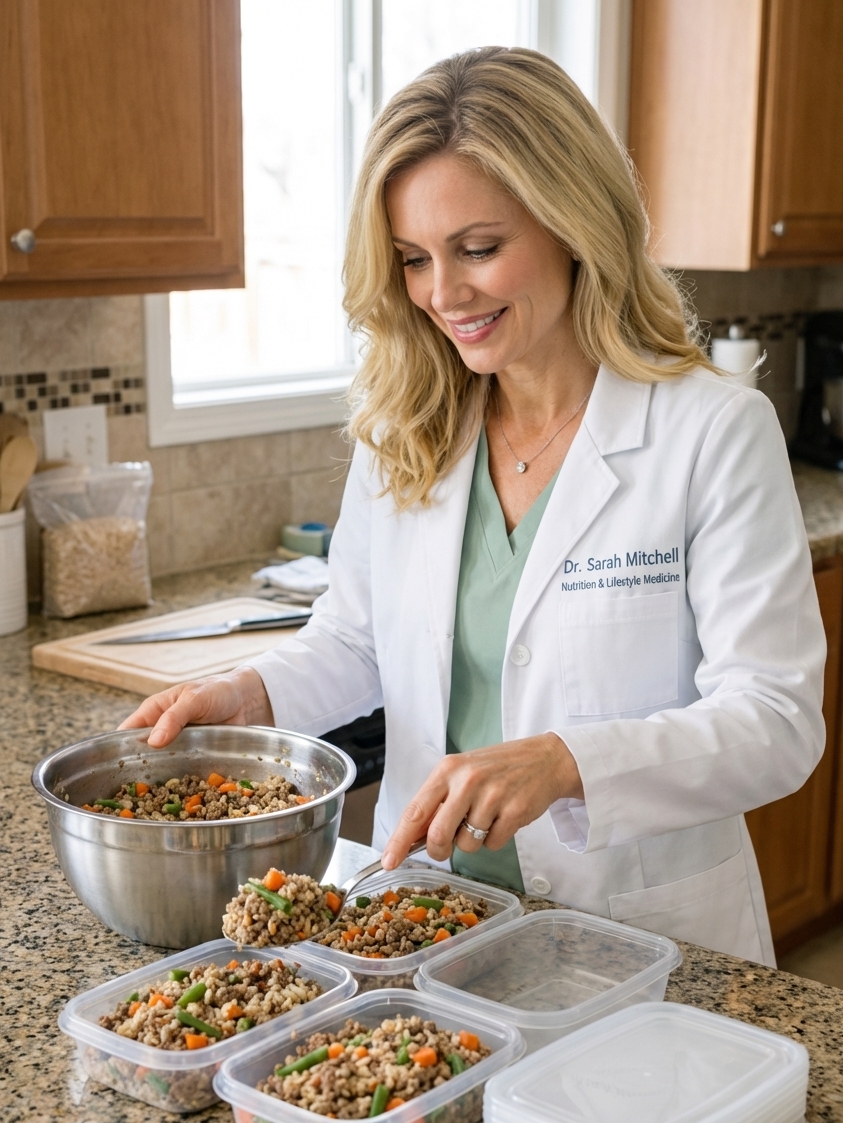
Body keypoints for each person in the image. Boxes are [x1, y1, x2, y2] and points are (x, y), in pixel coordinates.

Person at [120, 47, 825, 966]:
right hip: (431, 923)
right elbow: (357, 642)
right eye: (414, 259)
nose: (443, 295)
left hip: (645, 934)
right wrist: (250, 692)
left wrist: (565, 761)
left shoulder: (712, 431)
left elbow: (776, 721)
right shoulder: (407, 426)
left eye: (478, 249)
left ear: (574, 222)